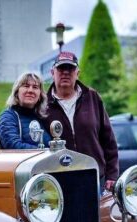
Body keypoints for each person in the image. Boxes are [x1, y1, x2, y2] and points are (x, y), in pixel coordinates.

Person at [45, 51, 119, 192]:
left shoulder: (92, 97)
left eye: (70, 68)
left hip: (94, 177)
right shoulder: (43, 103)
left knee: (96, 214)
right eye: (61, 68)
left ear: (77, 73)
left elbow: (109, 140)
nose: (66, 72)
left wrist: (112, 175)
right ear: (52, 72)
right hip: (57, 181)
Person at [0, 72, 51, 149]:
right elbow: (13, 146)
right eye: (26, 86)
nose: (30, 90)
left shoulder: (41, 117)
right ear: (16, 92)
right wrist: (44, 151)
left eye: (35, 87)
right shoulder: (8, 117)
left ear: (40, 95)